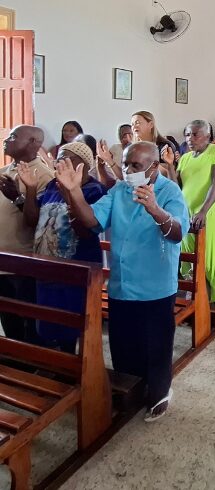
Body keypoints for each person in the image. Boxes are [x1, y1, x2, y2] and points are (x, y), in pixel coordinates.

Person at [55, 141, 189, 421]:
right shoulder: (120, 191)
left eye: (135, 165)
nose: (127, 170)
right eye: (126, 164)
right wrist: (74, 192)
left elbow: (177, 232)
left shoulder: (169, 191)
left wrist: (155, 209)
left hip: (154, 286)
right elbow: (92, 221)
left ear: (154, 166)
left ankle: (160, 393)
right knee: (124, 345)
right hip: (121, 283)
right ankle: (131, 392)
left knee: (155, 347)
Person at [18, 142, 105, 353]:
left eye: (65, 158)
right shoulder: (52, 185)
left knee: (72, 325)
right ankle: (54, 363)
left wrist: (70, 195)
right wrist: (30, 189)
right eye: (58, 158)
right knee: (47, 323)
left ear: (83, 164)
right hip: (47, 266)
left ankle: (71, 365)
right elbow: (32, 221)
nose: (58, 162)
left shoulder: (95, 190)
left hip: (75, 268)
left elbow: (86, 231)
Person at [0, 125, 54, 344]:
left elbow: (41, 221)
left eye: (13, 136)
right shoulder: (4, 171)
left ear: (33, 142)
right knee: (8, 319)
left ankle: (30, 361)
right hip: (2, 258)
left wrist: (17, 197)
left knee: (28, 323)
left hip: (23, 261)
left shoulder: (44, 176)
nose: (7, 140)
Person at [177, 120, 215, 302]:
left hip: (209, 211)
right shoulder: (184, 158)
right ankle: (194, 297)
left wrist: (203, 211)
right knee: (189, 254)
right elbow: (177, 187)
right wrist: (168, 165)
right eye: (187, 134)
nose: (190, 138)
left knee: (207, 255)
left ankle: (212, 298)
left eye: (195, 134)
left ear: (207, 136)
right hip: (186, 213)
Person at [126, 111, 177, 180]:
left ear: (151, 125)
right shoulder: (131, 147)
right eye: (132, 124)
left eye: (137, 123)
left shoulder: (165, 145)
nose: (134, 127)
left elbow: (170, 173)